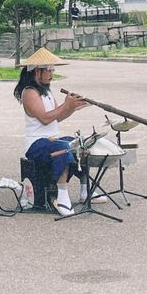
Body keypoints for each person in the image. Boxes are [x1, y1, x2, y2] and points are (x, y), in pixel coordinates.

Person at [13, 47, 105, 217]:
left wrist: (76, 105)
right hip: (36, 143)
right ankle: (62, 197)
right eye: (48, 70)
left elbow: (58, 116)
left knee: (81, 144)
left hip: (52, 139)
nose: (51, 73)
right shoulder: (29, 92)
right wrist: (67, 104)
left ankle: (85, 191)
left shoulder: (46, 91)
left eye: (52, 69)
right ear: (36, 71)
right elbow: (45, 118)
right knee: (64, 148)